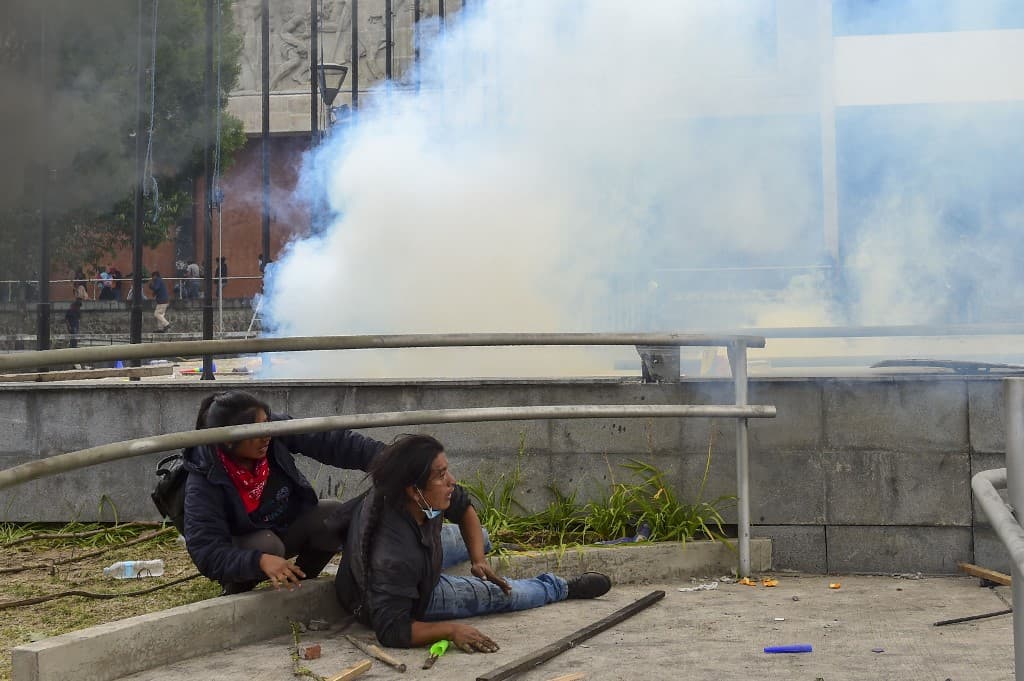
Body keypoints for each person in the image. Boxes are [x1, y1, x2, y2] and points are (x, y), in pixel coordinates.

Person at [334, 434, 611, 652]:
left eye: (447, 470)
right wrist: (450, 630)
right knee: (499, 594)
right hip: (410, 593)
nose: (451, 481)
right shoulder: (394, 557)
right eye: (441, 475)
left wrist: (478, 559)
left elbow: (464, 508)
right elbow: (392, 630)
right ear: (414, 491)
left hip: (424, 547)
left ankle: (482, 550)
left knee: (482, 535)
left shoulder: (417, 493)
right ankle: (560, 588)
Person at [181, 391, 386, 595]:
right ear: (228, 440)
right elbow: (206, 551)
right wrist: (259, 561)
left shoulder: (275, 433)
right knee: (268, 546)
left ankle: (300, 583)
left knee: (333, 515)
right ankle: (236, 593)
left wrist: (390, 458)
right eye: (255, 431)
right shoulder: (204, 477)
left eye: (267, 423)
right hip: (247, 544)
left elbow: (332, 441)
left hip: (283, 523)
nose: (266, 435)